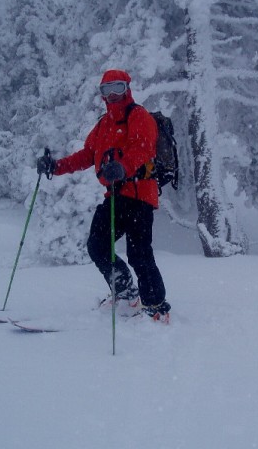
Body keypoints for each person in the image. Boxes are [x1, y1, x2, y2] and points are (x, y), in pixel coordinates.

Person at [37, 69, 171, 322]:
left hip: (139, 194)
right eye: (106, 90)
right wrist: (56, 166)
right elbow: (87, 155)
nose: (112, 94)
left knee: (139, 254)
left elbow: (143, 148)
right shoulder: (103, 124)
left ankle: (157, 307)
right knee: (97, 246)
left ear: (127, 88)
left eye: (117, 88)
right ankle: (127, 294)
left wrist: (123, 166)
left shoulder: (139, 116)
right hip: (115, 196)